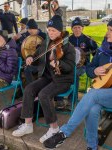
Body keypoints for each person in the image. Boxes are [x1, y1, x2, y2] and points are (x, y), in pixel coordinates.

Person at [43, 20, 112, 150]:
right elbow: (90, 68)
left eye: (110, 30)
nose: (107, 33)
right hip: (102, 90)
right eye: (108, 29)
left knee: (92, 94)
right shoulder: (103, 50)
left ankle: (64, 132)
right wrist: (94, 71)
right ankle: (92, 146)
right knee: (92, 109)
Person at [12, 15, 75, 144]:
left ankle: (54, 128)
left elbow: (70, 66)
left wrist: (59, 64)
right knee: (29, 88)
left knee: (43, 95)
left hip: (63, 80)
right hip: (48, 77)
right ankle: (28, 124)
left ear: (60, 31)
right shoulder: (46, 42)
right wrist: (30, 57)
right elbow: (36, 56)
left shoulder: (68, 46)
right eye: (49, 29)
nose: (51, 33)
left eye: (54, 30)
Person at [55, 17, 98, 110]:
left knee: (74, 74)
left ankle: (72, 100)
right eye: (75, 27)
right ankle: (59, 100)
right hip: (69, 65)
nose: (77, 29)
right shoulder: (68, 39)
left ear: (82, 28)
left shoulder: (88, 40)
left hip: (83, 66)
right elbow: (61, 53)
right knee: (57, 72)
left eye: (79, 27)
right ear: (71, 29)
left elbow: (96, 54)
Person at [21, 19, 46, 84]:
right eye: (29, 29)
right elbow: (24, 47)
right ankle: (24, 86)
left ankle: (32, 86)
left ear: (36, 28)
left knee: (28, 69)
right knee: (22, 66)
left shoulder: (43, 35)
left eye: (32, 29)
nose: (30, 31)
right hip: (30, 58)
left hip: (41, 61)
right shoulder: (27, 35)